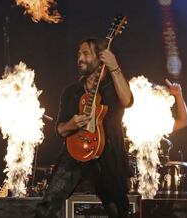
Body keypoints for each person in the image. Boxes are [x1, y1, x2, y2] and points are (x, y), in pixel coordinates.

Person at [35, 37, 133, 218]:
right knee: (46, 207)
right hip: (74, 155)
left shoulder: (113, 87)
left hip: (108, 156)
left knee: (118, 211)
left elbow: (127, 101)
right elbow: (60, 130)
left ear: (100, 57)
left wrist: (114, 67)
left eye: (86, 53)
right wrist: (70, 125)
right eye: (78, 54)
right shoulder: (71, 92)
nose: (80, 58)